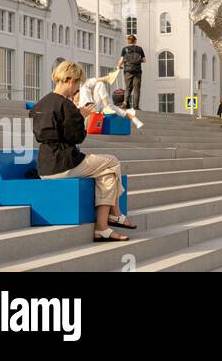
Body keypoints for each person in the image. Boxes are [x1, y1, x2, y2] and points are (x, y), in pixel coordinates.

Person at [33, 61, 136, 242]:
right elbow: (77, 138)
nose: (77, 90)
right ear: (71, 80)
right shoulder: (67, 106)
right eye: (78, 84)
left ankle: (102, 228)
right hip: (64, 164)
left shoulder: (40, 104)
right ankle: (115, 213)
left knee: (107, 174)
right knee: (112, 161)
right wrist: (81, 117)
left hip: (44, 166)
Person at [77, 67, 143, 130]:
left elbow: (123, 113)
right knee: (92, 84)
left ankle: (108, 78)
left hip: (92, 107)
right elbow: (124, 113)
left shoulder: (109, 105)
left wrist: (136, 121)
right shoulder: (109, 104)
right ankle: (108, 78)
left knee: (98, 84)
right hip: (89, 108)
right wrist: (136, 120)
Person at [116, 34, 145, 112]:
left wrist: (118, 66)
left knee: (128, 88)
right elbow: (144, 60)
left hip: (128, 71)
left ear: (128, 41)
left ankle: (125, 102)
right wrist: (139, 61)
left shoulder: (125, 49)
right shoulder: (139, 49)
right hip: (137, 71)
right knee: (137, 89)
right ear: (135, 41)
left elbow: (121, 60)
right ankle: (136, 106)